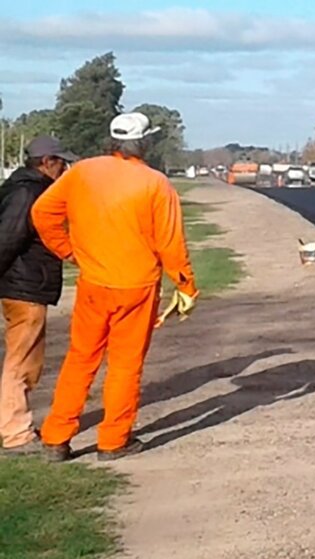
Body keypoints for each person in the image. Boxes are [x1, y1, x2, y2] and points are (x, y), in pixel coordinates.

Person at [31, 112, 199, 462]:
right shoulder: (155, 183)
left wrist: (69, 251)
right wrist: (185, 286)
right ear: (144, 142)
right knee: (125, 365)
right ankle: (113, 441)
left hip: (94, 282)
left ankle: (56, 439)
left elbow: (43, 212)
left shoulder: (82, 172)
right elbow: (171, 243)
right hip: (137, 287)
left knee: (80, 359)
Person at [0, 137, 77, 455]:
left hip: (23, 286)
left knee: (25, 360)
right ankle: (15, 432)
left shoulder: (21, 187)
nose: (65, 168)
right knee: (22, 362)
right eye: (61, 162)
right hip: (24, 287)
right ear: (46, 162)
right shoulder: (28, 193)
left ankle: (11, 425)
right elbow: (7, 239)